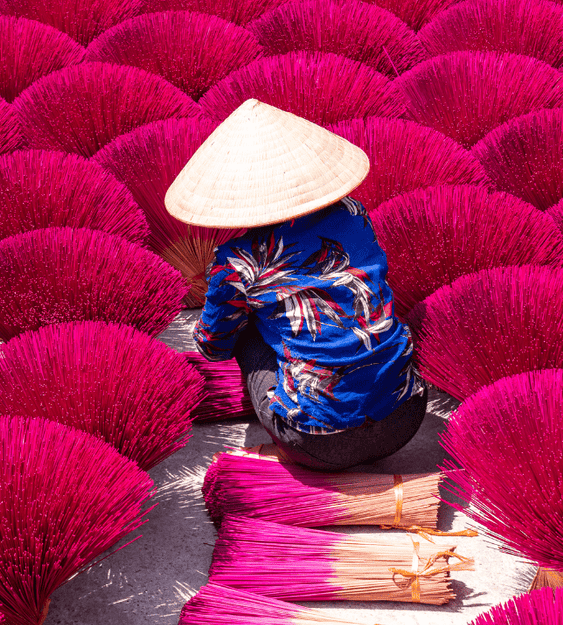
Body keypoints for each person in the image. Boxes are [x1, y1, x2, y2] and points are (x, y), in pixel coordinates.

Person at [164, 99, 424, 471]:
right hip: (407, 414)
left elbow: (213, 347)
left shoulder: (237, 262)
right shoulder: (353, 213)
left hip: (318, 443)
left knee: (247, 327)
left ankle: (294, 404)